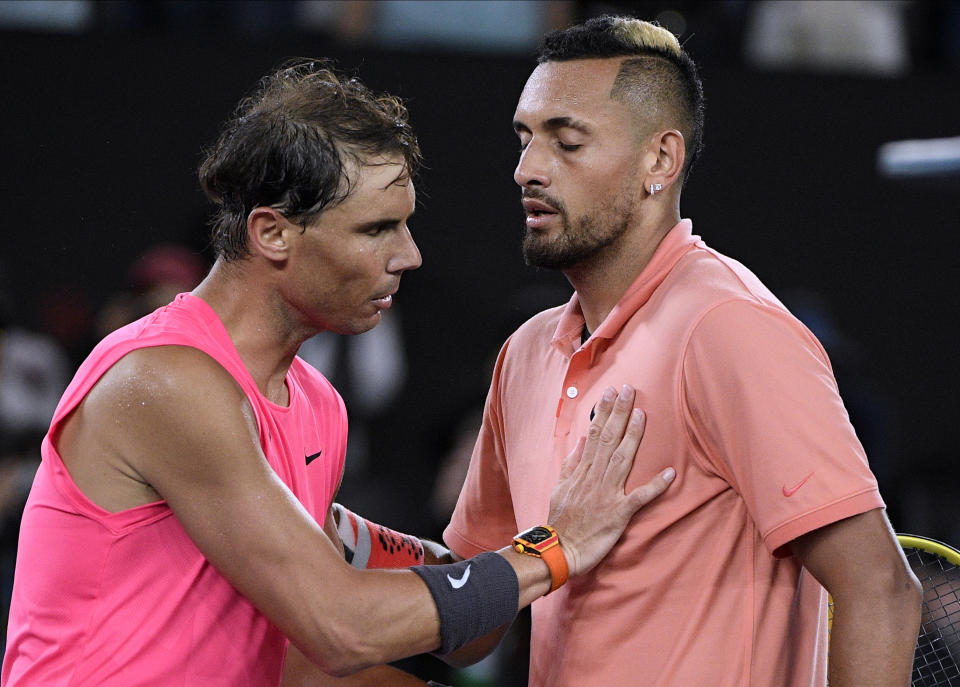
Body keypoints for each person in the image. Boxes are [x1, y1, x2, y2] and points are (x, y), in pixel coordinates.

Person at [0, 60, 676, 686]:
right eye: (376, 228)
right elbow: (342, 625)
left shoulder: (316, 404)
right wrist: (555, 549)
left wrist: (538, 542)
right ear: (272, 233)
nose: (408, 255)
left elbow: (443, 630)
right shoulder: (165, 380)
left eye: (406, 225)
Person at [442, 16, 923, 687]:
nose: (528, 169)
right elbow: (474, 625)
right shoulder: (524, 354)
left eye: (567, 142)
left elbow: (882, 591)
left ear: (660, 161)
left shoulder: (730, 328)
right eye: (524, 139)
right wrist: (348, 549)